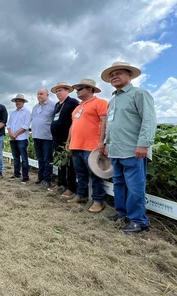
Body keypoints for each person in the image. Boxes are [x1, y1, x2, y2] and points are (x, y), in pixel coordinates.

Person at [101, 61, 157, 233]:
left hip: (134, 150)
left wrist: (143, 144)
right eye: (112, 74)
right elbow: (111, 124)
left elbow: (149, 120)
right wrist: (105, 143)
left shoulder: (139, 94)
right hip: (116, 150)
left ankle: (139, 221)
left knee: (135, 186)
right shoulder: (112, 100)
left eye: (119, 73)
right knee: (119, 183)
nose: (114, 76)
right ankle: (122, 213)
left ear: (130, 75)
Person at [66, 79, 108, 213]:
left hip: (92, 146)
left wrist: (102, 142)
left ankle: (98, 201)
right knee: (80, 173)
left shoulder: (100, 103)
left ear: (90, 89)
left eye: (80, 89)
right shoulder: (77, 107)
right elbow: (73, 125)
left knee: (95, 174)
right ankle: (81, 195)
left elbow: (104, 122)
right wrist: (69, 141)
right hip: (76, 145)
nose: (77, 91)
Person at [48, 82, 79, 197]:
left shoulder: (73, 102)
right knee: (60, 163)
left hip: (67, 139)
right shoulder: (57, 105)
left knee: (70, 164)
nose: (58, 93)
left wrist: (70, 138)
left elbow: (76, 120)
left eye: (60, 90)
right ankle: (61, 183)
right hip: (56, 139)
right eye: (56, 91)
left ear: (67, 91)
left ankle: (70, 188)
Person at [31, 88, 55, 188]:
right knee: (40, 159)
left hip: (47, 137)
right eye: (38, 94)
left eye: (41, 94)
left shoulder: (53, 105)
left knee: (47, 159)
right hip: (36, 136)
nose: (39, 96)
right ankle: (40, 177)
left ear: (47, 95)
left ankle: (47, 179)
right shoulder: (35, 107)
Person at [7, 93, 31, 183]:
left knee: (24, 158)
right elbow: (8, 125)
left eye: (19, 101)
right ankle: (17, 174)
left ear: (23, 102)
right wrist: (10, 134)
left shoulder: (27, 112)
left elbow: (25, 126)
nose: (18, 102)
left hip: (22, 139)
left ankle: (25, 176)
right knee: (16, 157)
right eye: (16, 101)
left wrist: (15, 134)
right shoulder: (13, 113)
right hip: (13, 139)